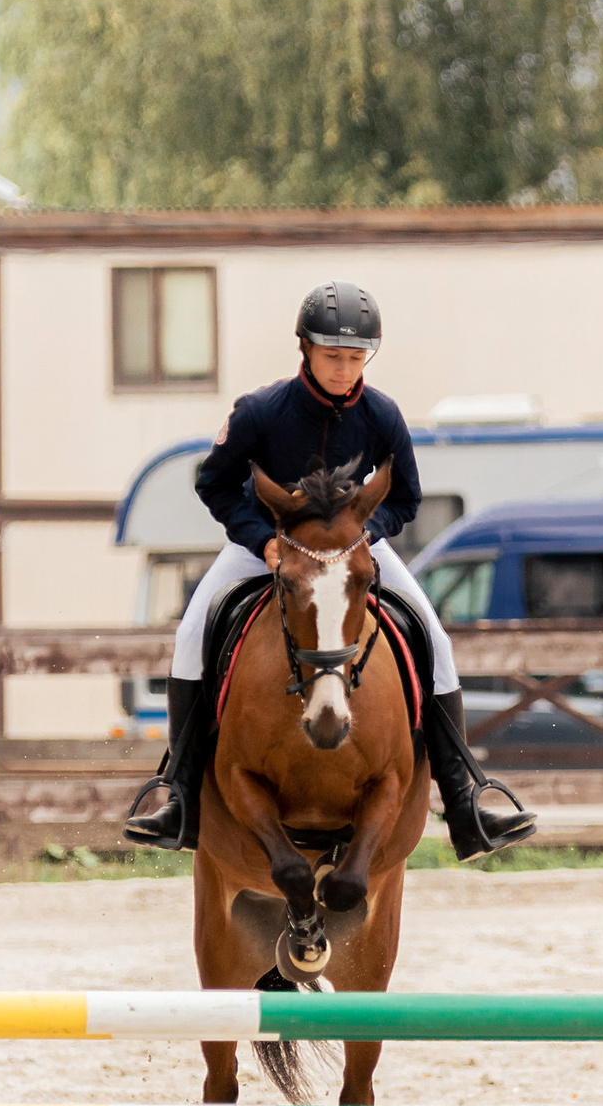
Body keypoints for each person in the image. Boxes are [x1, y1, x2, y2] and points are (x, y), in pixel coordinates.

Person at [125, 282, 537, 860]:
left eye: (355, 358)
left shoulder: (382, 416)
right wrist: (261, 541)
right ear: (305, 351)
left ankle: (465, 800)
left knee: (435, 638)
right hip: (268, 545)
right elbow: (213, 483)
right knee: (192, 634)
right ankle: (181, 798)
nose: (344, 371)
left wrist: (362, 536)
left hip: (350, 548)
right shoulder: (260, 411)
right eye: (332, 357)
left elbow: (408, 499)